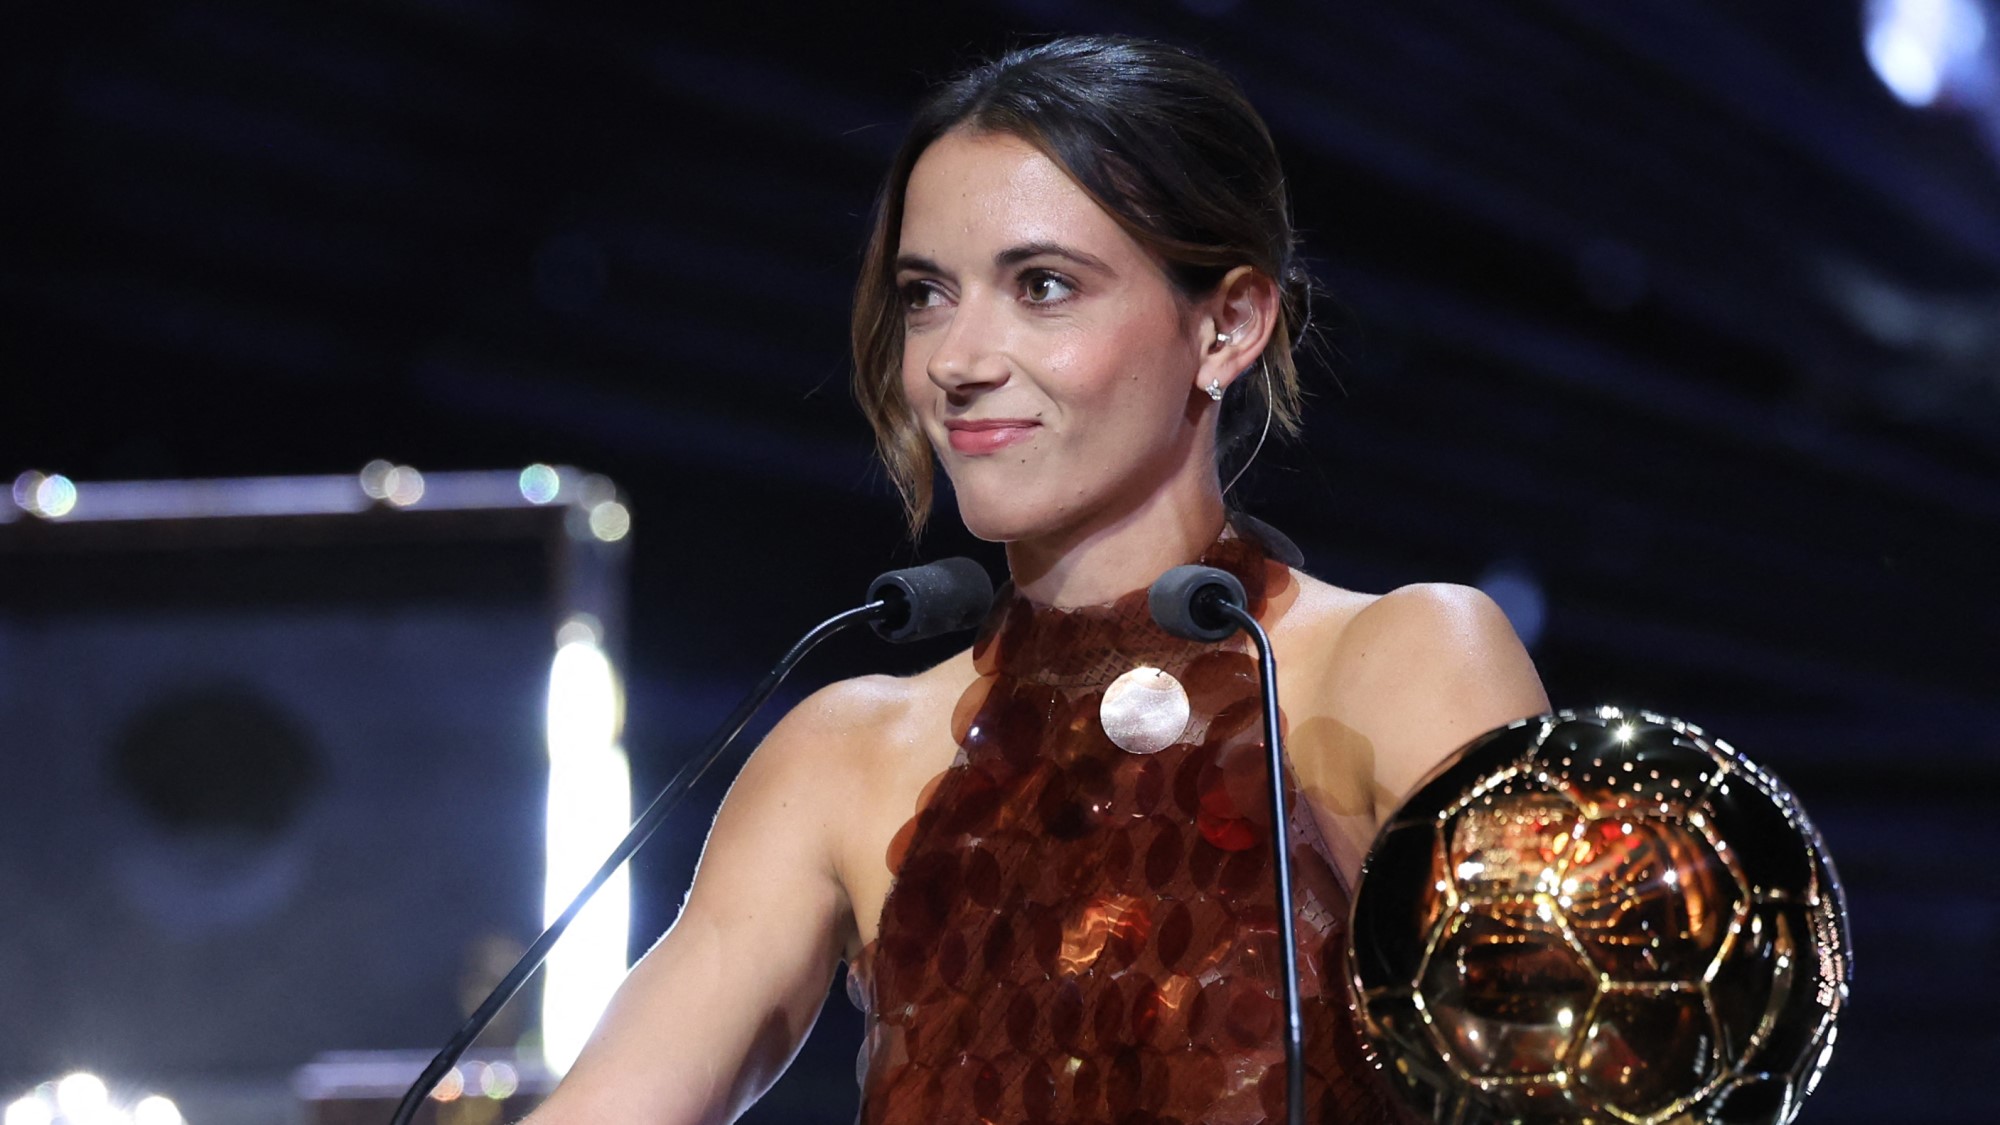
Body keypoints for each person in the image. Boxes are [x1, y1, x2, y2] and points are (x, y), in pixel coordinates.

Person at [525, 34, 1548, 1125]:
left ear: (1228, 325)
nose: (955, 361)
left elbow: (1569, 1077)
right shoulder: (838, 756)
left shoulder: (1404, 662)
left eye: (1042, 286)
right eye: (926, 294)